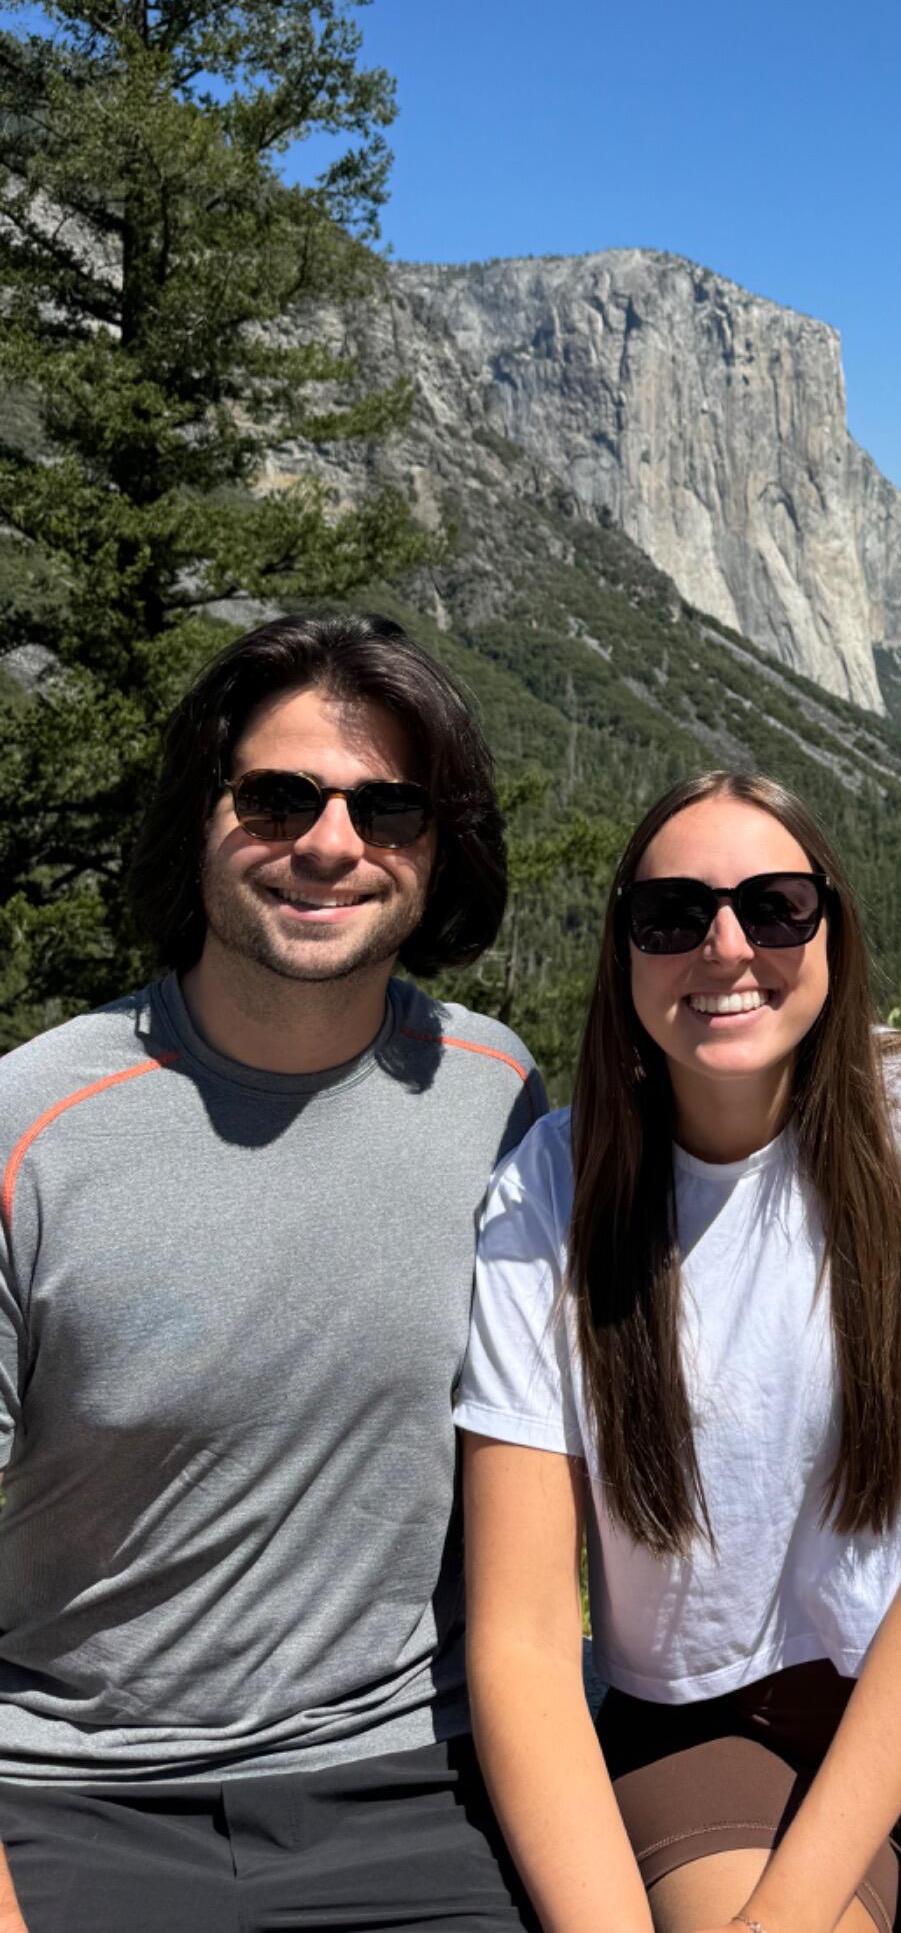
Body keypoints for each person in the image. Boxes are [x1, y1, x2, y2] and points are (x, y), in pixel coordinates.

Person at [456, 770, 901, 1933]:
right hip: (714, 1720)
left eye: (775, 907)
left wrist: (780, 1915)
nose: (727, 947)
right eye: (673, 915)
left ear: (833, 930)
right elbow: (523, 1639)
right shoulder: (547, 1196)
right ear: (623, 953)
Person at [0, 612, 548, 1933]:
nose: (330, 844)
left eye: (390, 808)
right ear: (202, 814)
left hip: (412, 1796)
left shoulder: (497, 1097)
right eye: (278, 796)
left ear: (437, 847)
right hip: (70, 1807)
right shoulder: (30, 1130)